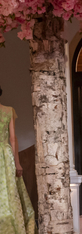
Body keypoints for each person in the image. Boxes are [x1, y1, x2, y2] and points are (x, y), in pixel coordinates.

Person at [0, 86, 37, 233]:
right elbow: (12, 139)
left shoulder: (9, 111)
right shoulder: (8, 110)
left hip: (5, 153)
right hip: (5, 153)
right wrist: (17, 162)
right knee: (9, 190)